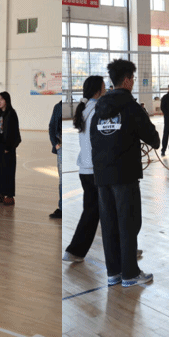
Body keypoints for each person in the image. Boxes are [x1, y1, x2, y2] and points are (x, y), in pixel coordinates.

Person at [90, 59, 160, 287]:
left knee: (109, 224)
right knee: (129, 223)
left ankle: (114, 273)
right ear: (128, 80)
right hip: (124, 175)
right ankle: (130, 274)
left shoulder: (98, 109)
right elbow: (152, 137)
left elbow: (94, 139)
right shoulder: (131, 107)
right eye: (133, 78)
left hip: (102, 175)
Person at [64, 75, 105, 262]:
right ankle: (125, 250)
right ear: (98, 90)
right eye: (104, 86)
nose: (106, 89)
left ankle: (75, 251)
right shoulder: (99, 109)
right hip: (97, 170)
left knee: (92, 211)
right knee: (106, 211)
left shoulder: (84, 109)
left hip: (85, 170)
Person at [0, 91, 21, 205]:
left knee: (8, 171)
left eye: (1, 99)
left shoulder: (11, 113)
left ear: (7, 101)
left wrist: (8, 147)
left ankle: (9, 195)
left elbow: (13, 132)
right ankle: (1, 192)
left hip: (8, 147)